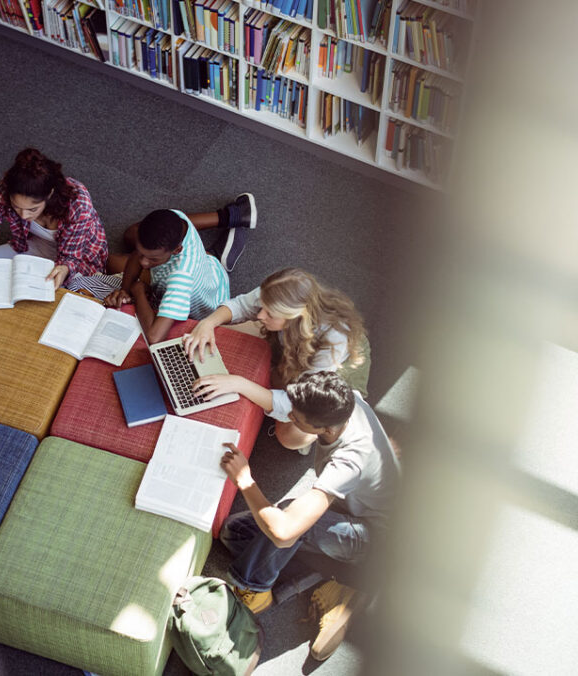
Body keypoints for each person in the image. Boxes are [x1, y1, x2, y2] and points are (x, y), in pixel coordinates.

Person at [213, 371, 399, 661]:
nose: (290, 418)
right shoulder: (342, 401)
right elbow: (284, 404)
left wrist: (245, 480)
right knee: (234, 533)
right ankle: (335, 584)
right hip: (349, 507)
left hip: (375, 537)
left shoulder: (349, 461)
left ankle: (254, 590)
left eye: (296, 418)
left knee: (285, 521)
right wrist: (237, 383)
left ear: (324, 428)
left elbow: (284, 532)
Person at [185, 268, 368, 451]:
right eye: (263, 307)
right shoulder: (279, 292)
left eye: (270, 314)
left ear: (295, 317)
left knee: (290, 437)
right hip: (292, 345)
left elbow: (299, 401)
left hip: (327, 378)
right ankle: (274, 376)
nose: (260, 315)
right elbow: (241, 305)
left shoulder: (333, 340)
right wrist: (207, 323)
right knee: (223, 333)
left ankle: (321, 426)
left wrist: (238, 383)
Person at [0, 148, 108, 299]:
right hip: (31, 245)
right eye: (16, 206)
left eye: (32, 209)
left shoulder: (78, 203)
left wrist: (64, 269)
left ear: (50, 194)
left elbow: (71, 257)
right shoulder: (7, 188)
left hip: (80, 256)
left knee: (52, 298)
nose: (23, 215)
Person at [103, 204, 252, 343]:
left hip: (203, 308)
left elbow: (155, 337)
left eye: (153, 259)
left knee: (111, 262)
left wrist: (137, 290)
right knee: (131, 234)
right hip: (211, 271)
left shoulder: (181, 278)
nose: (143, 263)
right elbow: (139, 254)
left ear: (177, 250)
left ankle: (218, 253)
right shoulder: (176, 218)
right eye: (141, 253)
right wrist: (124, 290)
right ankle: (216, 253)